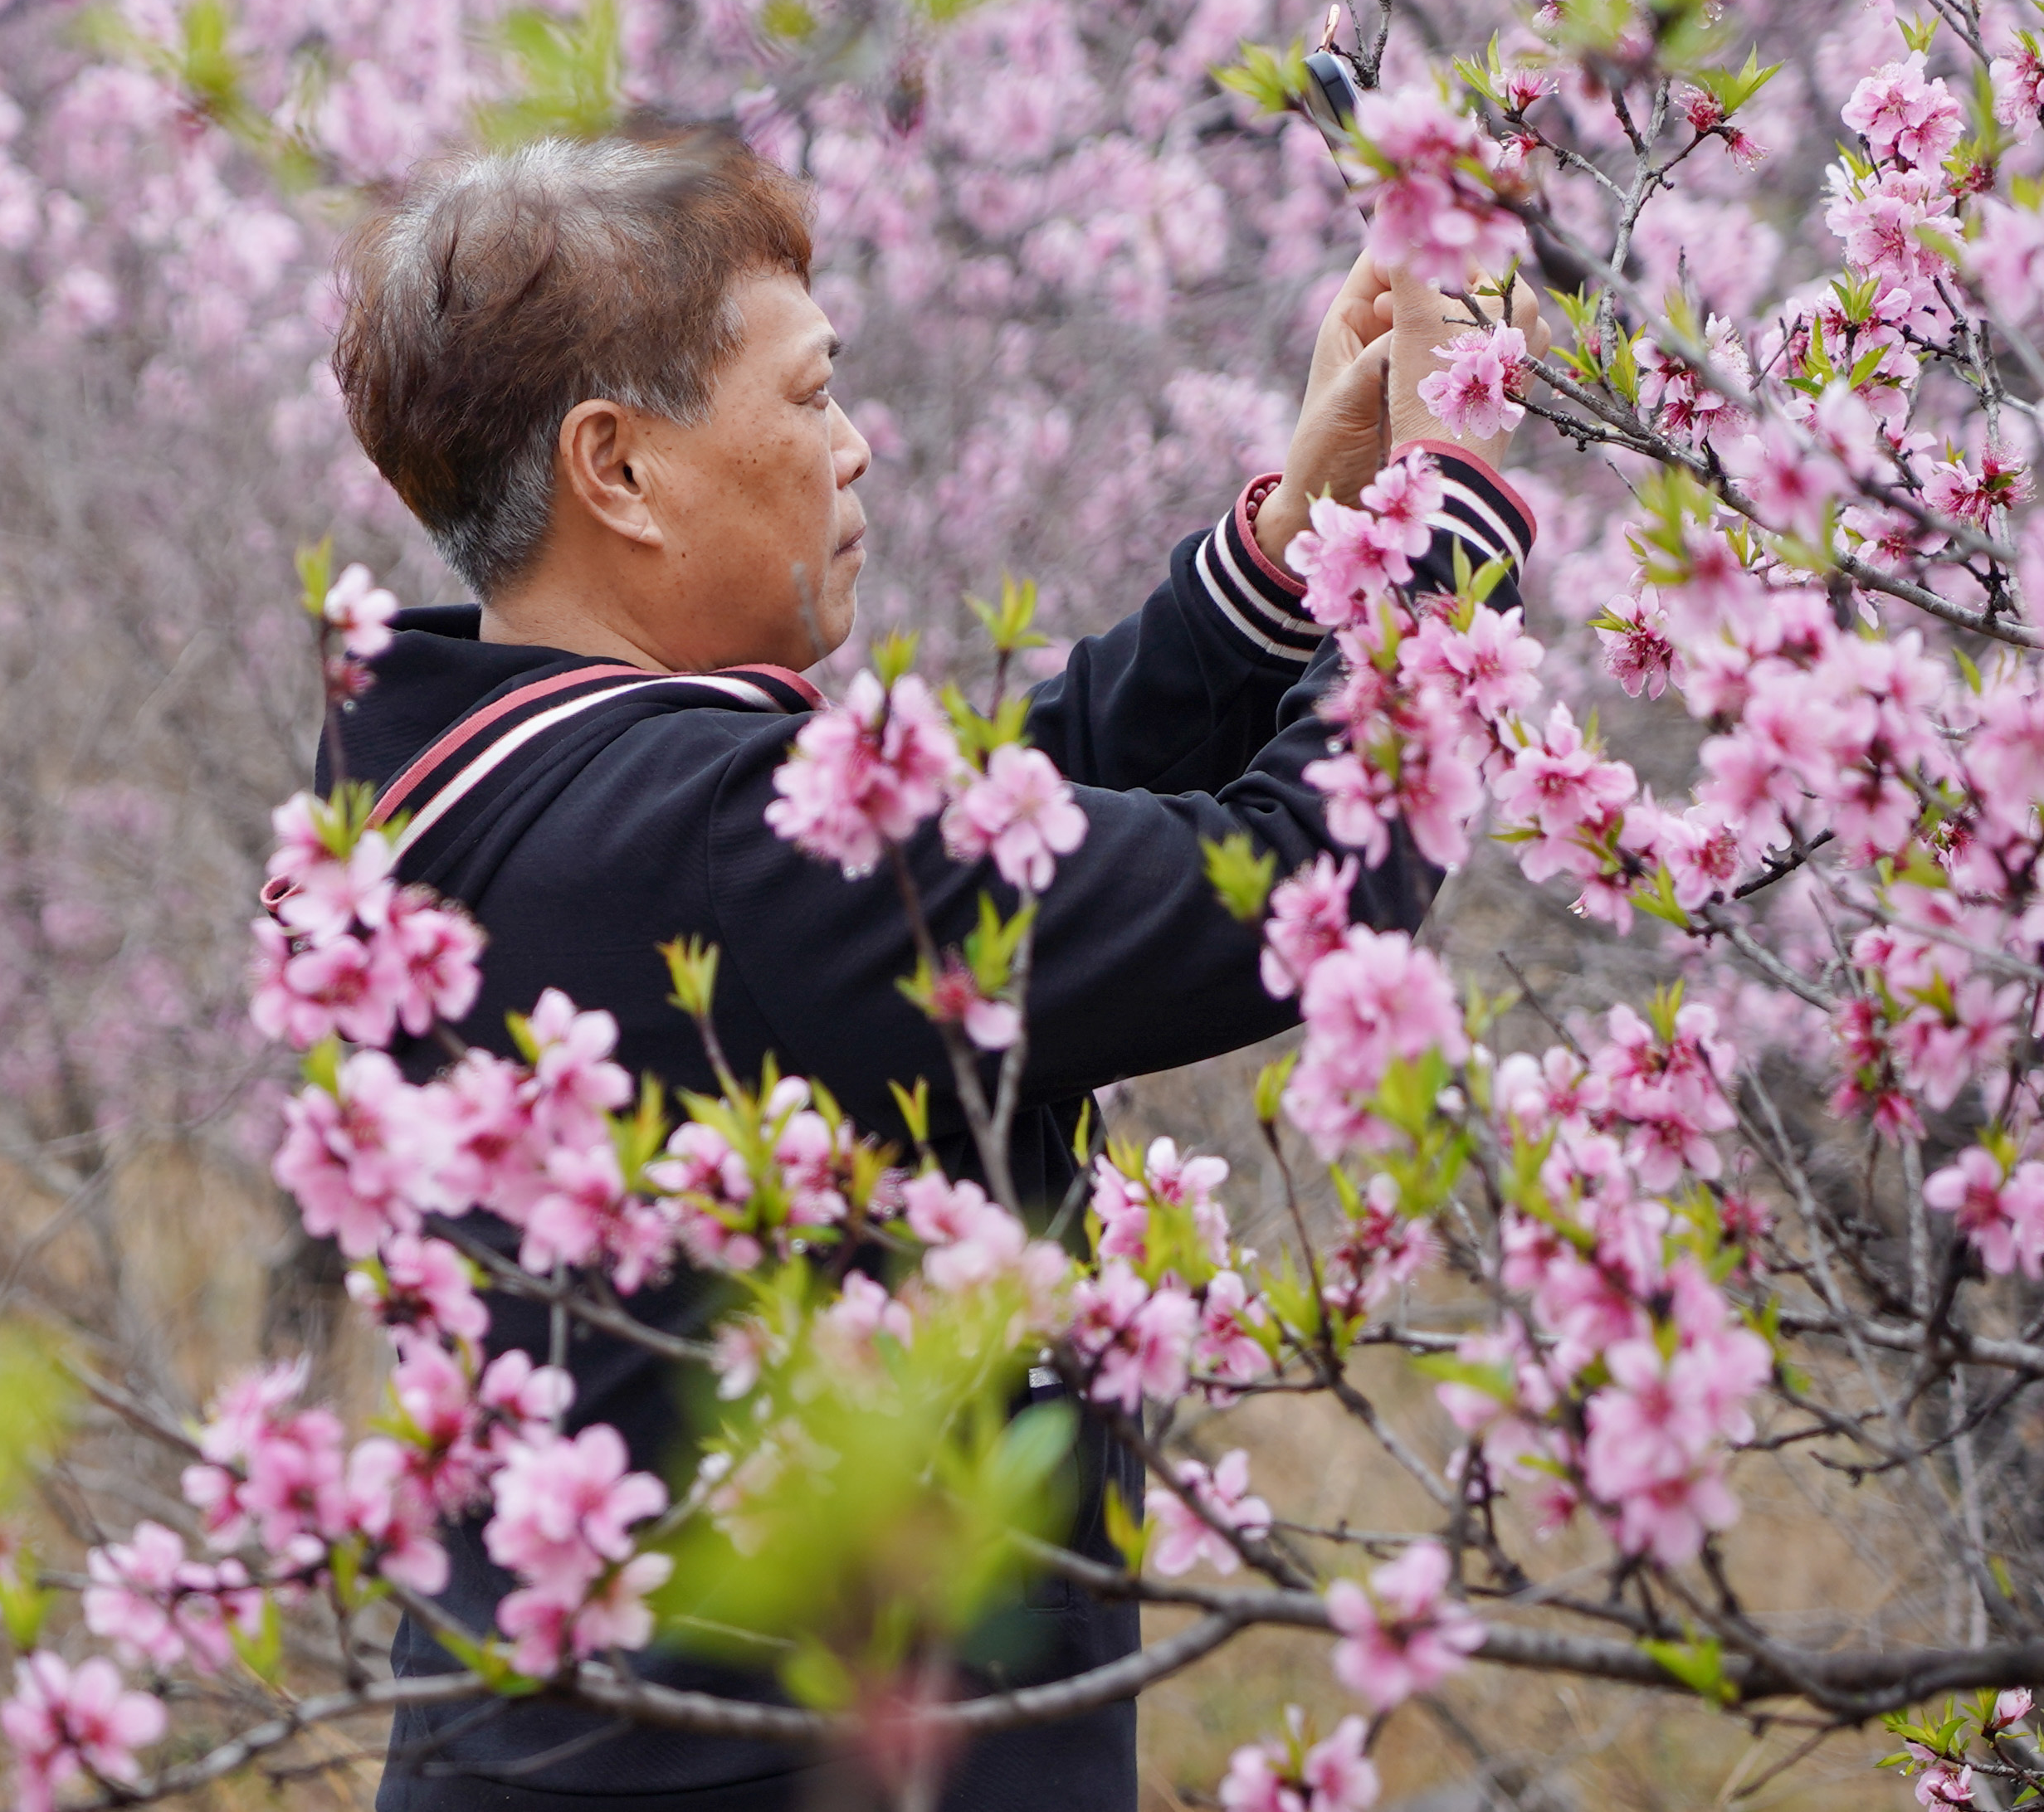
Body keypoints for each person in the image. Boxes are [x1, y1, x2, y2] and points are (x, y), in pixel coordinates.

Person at [324, 114, 1534, 1810]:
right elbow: (1287, 894)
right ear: (618, 468)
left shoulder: (466, 778)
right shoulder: (712, 834)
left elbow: (961, 852)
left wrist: (1288, 550)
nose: (855, 446)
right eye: (810, 392)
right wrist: (1442, 514)